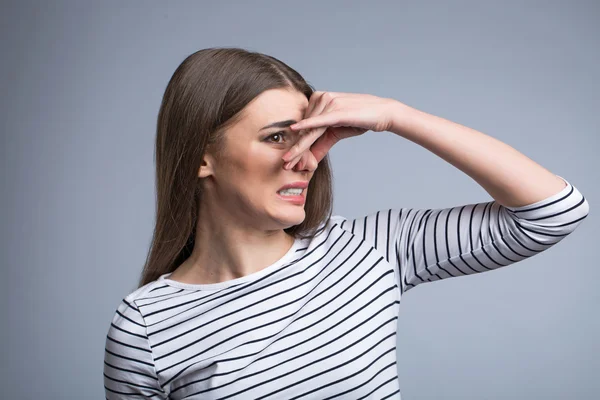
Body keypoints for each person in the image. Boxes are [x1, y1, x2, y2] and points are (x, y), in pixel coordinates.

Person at [103, 47, 590, 399]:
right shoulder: (145, 325)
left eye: (312, 137)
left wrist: (396, 116)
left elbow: (554, 211)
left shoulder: (369, 249)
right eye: (277, 138)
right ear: (200, 158)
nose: (306, 160)